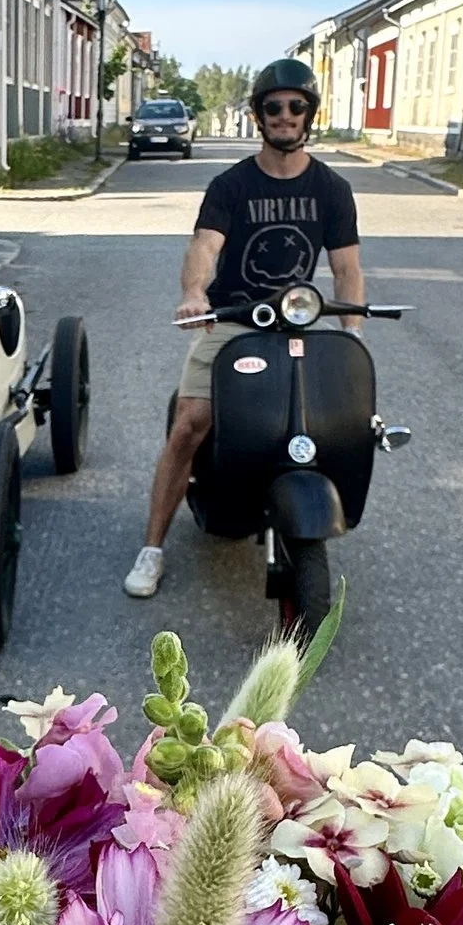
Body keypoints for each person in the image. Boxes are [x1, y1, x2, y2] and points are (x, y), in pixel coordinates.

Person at [125, 59, 364, 597]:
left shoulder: (332, 188)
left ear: (309, 115)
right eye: (273, 107)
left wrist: (352, 330)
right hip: (233, 321)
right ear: (259, 116)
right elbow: (204, 246)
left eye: (296, 106)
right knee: (191, 423)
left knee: (337, 421)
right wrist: (194, 294)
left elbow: (347, 268)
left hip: (298, 324)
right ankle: (152, 548)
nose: (285, 115)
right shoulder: (231, 185)